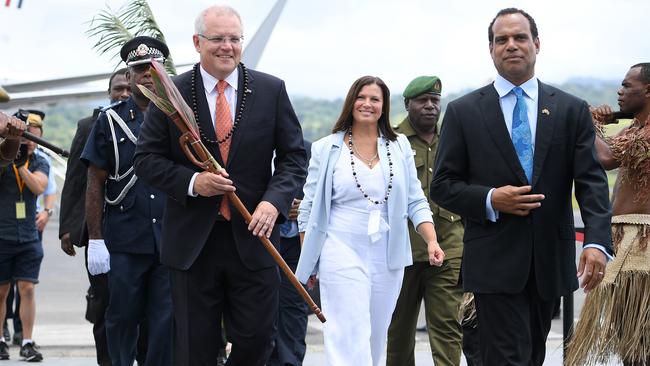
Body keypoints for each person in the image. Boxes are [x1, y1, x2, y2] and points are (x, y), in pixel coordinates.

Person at [430, 8, 613, 365]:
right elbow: (443, 186)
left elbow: (591, 183)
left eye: (519, 37)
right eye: (502, 39)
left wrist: (595, 241)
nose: (511, 45)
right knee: (506, 356)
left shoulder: (570, 110)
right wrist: (490, 198)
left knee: (532, 355)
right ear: (491, 49)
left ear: (537, 44)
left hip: (549, 262)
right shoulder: (463, 111)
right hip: (493, 262)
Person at [133, 5, 307, 366]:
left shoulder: (271, 90)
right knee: (194, 348)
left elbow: (293, 157)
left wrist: (273, 203)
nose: (227, 47)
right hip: (194, 243)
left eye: (234, 39)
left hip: (255, 239)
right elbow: (146, 161)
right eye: (217, 39)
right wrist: (195, 182)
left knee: (258, 341)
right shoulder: (170, 94)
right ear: (197, 42)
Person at [295, 75, 445, 366]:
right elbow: (308, 210)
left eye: (375, 99)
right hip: (339, 247)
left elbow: (416, 200)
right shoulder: (326, 148)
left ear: (384, 106)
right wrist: (310, 258)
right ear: (351, 102)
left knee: (377, 335)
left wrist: (431, 240)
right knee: (348, 330)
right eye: (361, 97)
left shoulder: (399, 146)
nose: (367, 104)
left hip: (386, 253)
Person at [81, 37, 171, 366]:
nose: (147, 75)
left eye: (153, 68)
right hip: (124, 238)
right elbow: (95, 180)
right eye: (139, 69)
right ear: (129, 76)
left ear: (163, 73)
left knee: (164, 321)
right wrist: (95, 239)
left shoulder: (179, 118)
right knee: (121, 318)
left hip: (169, 237)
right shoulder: (109, 120)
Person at [566, 63, 650, 366]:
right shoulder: (635, 128)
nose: (619, 91)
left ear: (648, 91)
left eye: (627, 85)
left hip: (643, 245)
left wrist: (585, 121)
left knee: (639, 340)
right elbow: (608, 156)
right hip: (626, 242)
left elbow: (604, 156)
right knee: (629, 338)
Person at [58, 68, 143, 366]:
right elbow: (76, 181)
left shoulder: (154, 123)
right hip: (99, 234)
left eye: (127, 89)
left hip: (138, 232)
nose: (122, 94)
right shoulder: (90, 125)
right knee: (103, 303)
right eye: (117, 89)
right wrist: (68, 228)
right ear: (109, 92)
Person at [386, 76, 464, 366]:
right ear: (408, 104)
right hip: (404, 249)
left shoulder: (454, 140)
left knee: (447, 328)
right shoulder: (393, 141)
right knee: (399, 331)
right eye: (423, 101)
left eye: (435, 101)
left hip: (449, 247)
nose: (430, 106)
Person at [3, 109, 55, 348]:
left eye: (33, 139)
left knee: (27, 289)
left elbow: (39, 188)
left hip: (28, 235)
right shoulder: (3, 157)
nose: (29, 144)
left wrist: (22, 166)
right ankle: (2, 339)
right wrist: (11, 156)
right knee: (1, 292)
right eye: (25, 139)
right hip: (2, 234)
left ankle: (26, 340)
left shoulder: (40, 161)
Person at [269, 139, 312, 366]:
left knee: (293, 306)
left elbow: (323, 195)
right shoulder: (253, 146)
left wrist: (303, 207)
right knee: (261, 307)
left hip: (295, 244)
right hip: (261, 241)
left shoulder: (308, 150)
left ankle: (290, 362)